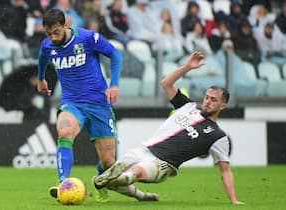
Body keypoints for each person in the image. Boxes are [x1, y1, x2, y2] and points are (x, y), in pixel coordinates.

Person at [93, 52, 245, 205]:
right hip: (143, 149)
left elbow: (225, 170)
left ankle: (119, 177)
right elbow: (166, 83)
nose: (207, 102)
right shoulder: (187, 106)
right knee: (111, 182)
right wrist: (187, 67)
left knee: (134, 173)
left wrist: (234, 200)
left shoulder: (218, 136)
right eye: (206, 97)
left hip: (163, 163)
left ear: (222, 106)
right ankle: (140, 195)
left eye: (213, 100)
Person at [37, 9, 122, 202]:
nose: (53, 37)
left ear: (65, 25)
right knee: (64, 133)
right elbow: (43, 56)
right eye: (48, 34)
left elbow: (115, 54)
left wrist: (114, 84)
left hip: (99, 103)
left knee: (108, 162)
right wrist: (41, 79)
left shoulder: (87, 38)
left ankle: (99, 180)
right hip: (71, 103)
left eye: (56, 32)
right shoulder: (48, 45)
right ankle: (63, 183)